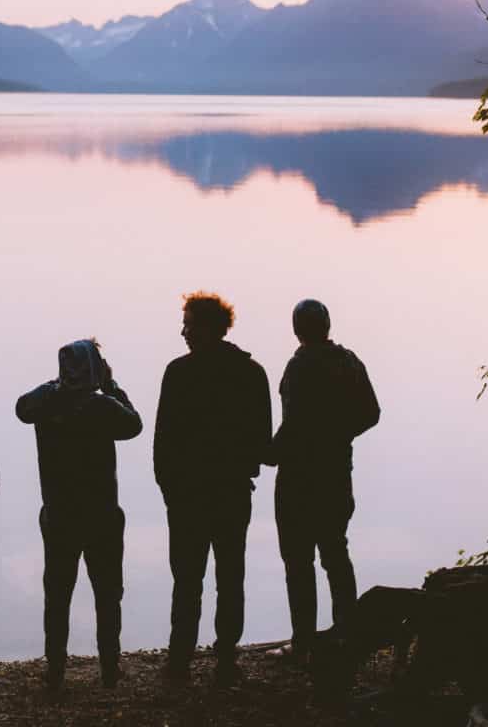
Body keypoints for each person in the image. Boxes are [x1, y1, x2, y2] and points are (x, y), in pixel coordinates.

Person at [153, 292, 272, 686]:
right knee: (230, 576)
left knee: (187, 579)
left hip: (188, 494)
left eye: (187, 323)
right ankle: (225, 659)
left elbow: (163, 439)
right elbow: (262, 439)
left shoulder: (178, 373)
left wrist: (168, 487)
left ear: (205, 328)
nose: (183, 331)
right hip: (232, 491)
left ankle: (180, 660)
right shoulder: (251, 373)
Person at [16, 339, 143, 690]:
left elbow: (21, 407)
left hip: (59, 514)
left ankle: (56, 669)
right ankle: (109, 668)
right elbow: (134, 424)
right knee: (107, 593)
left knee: (57, 594)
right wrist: (111, 385)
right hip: (102, 514)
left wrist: (55, 386)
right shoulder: (103, 407)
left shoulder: (46, 405)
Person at [271, 299, 380, 664]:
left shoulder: (300, 366)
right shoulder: (348, 362)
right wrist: (339, 435)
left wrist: (267, 453)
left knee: (298, 562)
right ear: (328, 325)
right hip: (336, 473)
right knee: (336, 552)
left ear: (296, 329)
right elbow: (371, 413)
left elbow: (293, 426)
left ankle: (303, 642)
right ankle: (346, 636)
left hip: (298, 478)